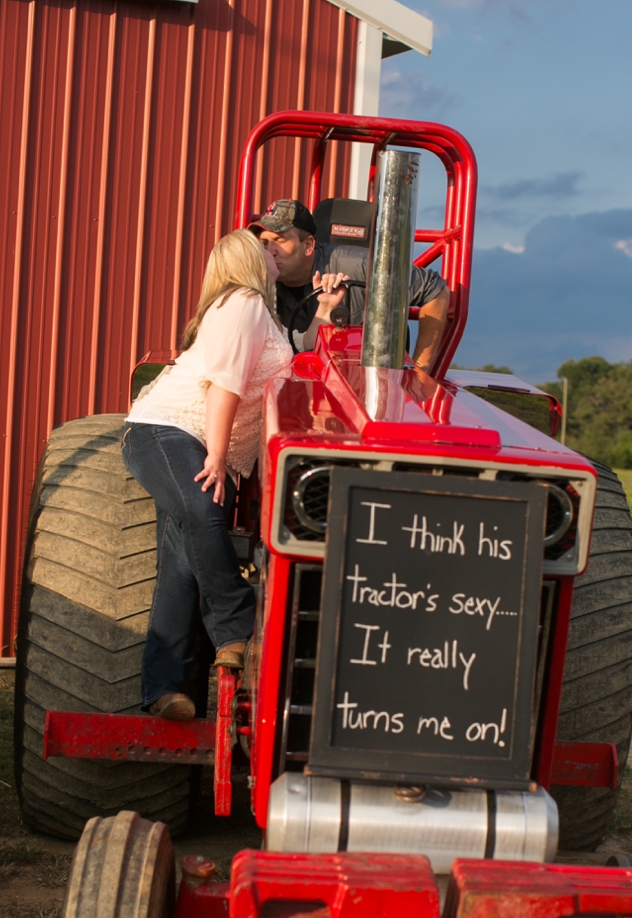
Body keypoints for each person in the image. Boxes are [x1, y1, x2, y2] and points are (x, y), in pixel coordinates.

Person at [122, 229, 345, 720]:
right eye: (265, 249)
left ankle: (164, 689)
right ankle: (236, 626)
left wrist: (325, 312)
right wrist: (218, 457)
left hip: (188, 439)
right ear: (248, 260)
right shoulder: (242, 301)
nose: (274, 254)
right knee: (205, 512)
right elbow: (225, 387)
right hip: (166, 431)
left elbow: (294, 368)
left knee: (181, 566)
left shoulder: (258, 314)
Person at [250, 198, 451, 369]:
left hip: (371, 379)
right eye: (265, 243)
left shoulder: (359, 265)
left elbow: (434, 290)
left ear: (309, 245)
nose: (270, 250)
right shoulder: (259, 282)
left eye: (280, 240)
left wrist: (421, 372)